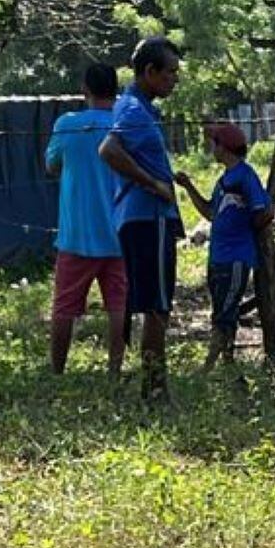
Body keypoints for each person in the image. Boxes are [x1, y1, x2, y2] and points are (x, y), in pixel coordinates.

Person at [99, 36, 184, 403]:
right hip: (148, 216)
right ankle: (155, 387)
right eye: (169, 73)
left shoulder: (140, 107)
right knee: (156, 304)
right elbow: (109, 149)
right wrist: (152, 183)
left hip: (146, 217)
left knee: (153, 301)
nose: (174, 80)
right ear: (149, 71)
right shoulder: (133, 110)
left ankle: (153, 384)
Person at [44, 63, 126, 375]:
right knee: (118, 305)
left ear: (85, 89)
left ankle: (57, 370)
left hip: (76, 235)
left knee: (64, 306)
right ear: (116, 89)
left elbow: (52, 165)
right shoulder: (124, 125)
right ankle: (115, 370)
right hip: (119, 233)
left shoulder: (68, 124)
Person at [175, 121, 273, 370]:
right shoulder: (224, 179)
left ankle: (207, 367)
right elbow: (211, 213)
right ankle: (229, 365)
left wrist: (247, 230)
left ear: (224, 148)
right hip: (217, 256)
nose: (212, 147)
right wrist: (188, 187)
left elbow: (263, 211)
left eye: (215, 142)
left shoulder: (245, 177)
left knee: (223, 314)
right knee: (223, 312)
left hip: (236, 257)